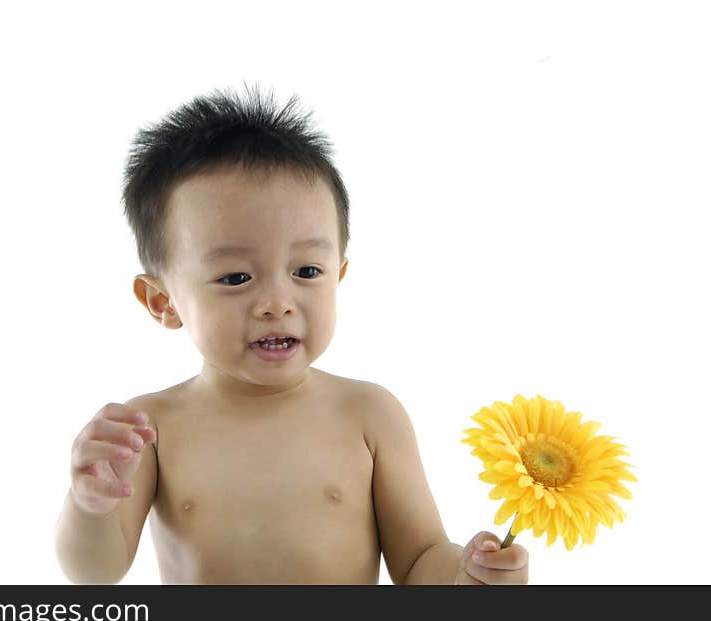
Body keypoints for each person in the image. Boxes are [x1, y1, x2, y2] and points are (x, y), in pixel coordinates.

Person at [54, 83, 529, 585]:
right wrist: (90, 505)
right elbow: (95, 572)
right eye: (236, 277)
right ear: (163, 301)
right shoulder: (151, 429)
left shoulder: (369, 414)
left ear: (338, 275)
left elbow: (419, 560)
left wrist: (467, 577)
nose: (277, 303)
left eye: (306, 271)